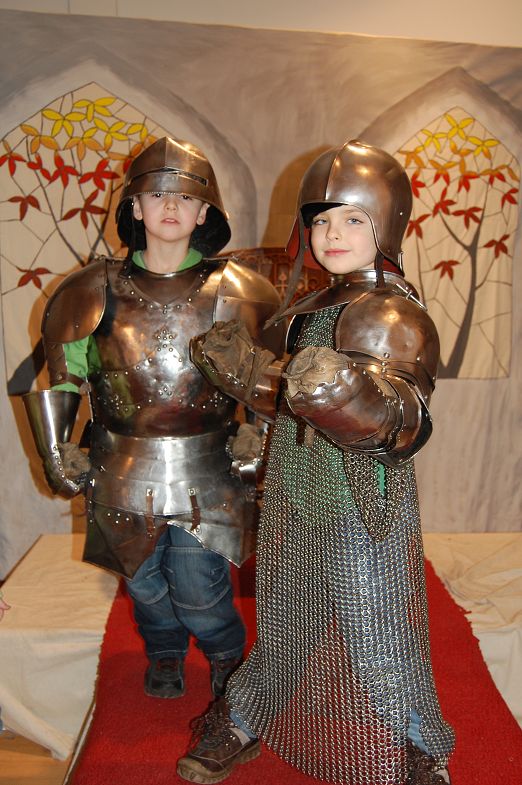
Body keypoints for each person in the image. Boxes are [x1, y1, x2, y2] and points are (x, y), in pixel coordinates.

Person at [177, 140, 455, 784]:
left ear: (386, 224)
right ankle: (244, 719)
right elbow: (287, 396)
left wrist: (350, 395)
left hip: (361, 498)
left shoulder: (391, 312)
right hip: (298, 486)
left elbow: (403, 421)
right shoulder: (308, 308)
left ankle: (422, 748)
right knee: (284, 624)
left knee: (377, 632)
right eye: (321, 219)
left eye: (353, 219)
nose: (332, 234)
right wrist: (248, 375)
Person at [23, 136, 284, 700]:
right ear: (135, 208)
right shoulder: (90, 288)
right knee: (142, 584)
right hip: (119, 463)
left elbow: (264, 381)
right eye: (157, 194)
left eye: (186, 197)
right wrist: (56, 449)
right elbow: (66, 376)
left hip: (208, 467)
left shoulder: (240, 291)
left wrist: (257, 437)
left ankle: (225, 653)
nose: (171, 205)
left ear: (205, 213)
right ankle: (165, 649)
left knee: (198, 587)